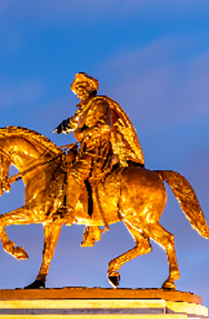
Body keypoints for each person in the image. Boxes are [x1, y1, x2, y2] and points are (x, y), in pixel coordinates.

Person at [52, 73, 144, 224]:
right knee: (65, 165)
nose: (80, 91)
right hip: (86, 148)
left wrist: (83, 133)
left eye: (83, 87)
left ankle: (68, 210)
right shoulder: (84, 109)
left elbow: (105, 126)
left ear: (92, 88)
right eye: (77, 89)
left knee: (76, 172)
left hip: (98, 149)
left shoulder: (99, 104)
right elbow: (74, 121)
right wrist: (63, 127)